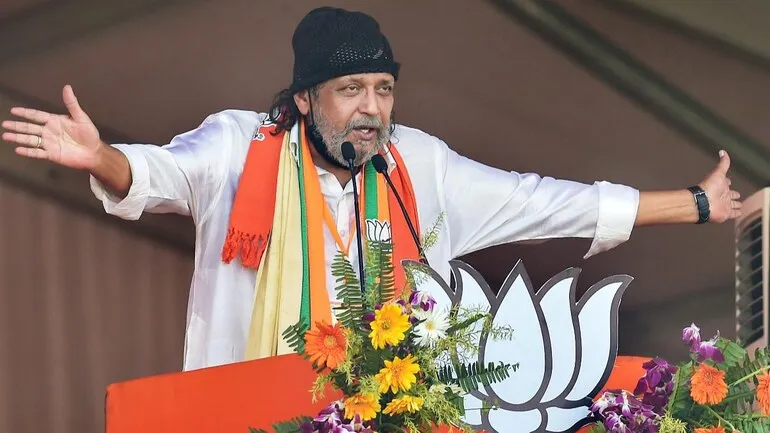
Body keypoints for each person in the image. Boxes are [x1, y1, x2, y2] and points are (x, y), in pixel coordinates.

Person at [1, 7, 741, 371]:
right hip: (241, 414)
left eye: (384, 88)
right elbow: (154, 177)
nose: (372, 108)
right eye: (350, 87)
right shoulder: (236, 149)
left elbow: (547, 199)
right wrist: (102, 159)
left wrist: (697, 204)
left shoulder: (419, 166)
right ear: (302, 100)